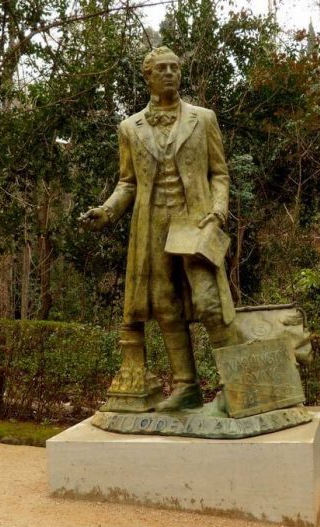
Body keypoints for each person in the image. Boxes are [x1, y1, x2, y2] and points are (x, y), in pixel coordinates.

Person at [80, 46, 236, 412]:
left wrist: (218, 210)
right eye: (161, 68)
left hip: (196, 222)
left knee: (210, 303)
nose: (169, 73)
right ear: (147, 76)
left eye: (174, 68)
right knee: (165, 305)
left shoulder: (204, 118)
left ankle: (236, 385)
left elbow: (220, 173)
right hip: (152, 225)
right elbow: (128, 183)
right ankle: (187, 386)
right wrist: (108, 210)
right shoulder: (129, 128)